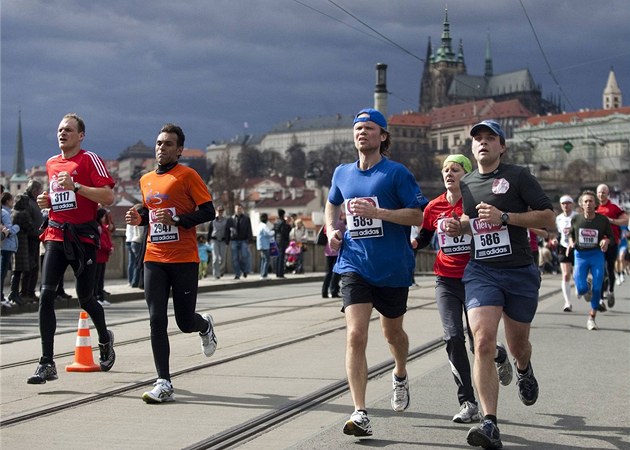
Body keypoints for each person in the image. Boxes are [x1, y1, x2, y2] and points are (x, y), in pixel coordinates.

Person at [442, 120, 555, 449]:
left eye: (490, 138)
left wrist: (505, 218)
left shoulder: (518, 176)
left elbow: (547, 218)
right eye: (478, 139)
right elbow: (469, 221)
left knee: (518, 345)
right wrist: (457, 226)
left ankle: (522, 366)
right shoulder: (468, 184)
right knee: (483, 342)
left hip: (519, 271)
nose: (483, 143)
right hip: (482, 271)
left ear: (502, 146)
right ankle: (490, 422)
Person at [325, 108, 428, 437]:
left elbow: (418, 216)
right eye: (357, 128)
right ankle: (360, 411)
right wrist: (330, 229)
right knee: (355, 335)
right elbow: (332, 202)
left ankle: (399, 373)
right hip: (354, 263)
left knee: (392, 334)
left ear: (383, 136)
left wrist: (378, 212)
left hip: (393, 268)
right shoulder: (342, 173)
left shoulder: (396, 173)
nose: (362, 133)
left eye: (369, 128)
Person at [413, 154, 513, 425]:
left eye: (455, 170)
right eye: (445, 170)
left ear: (466, 175)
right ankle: (467, 402)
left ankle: (498, 353)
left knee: (477, 342)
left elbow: (492, 232)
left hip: (475, 278)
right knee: (453, 337)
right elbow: (423, 236)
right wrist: (411, 245)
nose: (449, 174)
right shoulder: (433, 207)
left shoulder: (476, 204)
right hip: (445, 280)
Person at [125, 123, 217, 403]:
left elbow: (208, 211)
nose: (161, 147)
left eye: (167, 144)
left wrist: (177, 220)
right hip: (154, 256)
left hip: (184, 258)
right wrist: (138, 217)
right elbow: (149, 211)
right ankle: (163, 381)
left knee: (184, 321)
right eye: (158, 143)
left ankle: (204, 327)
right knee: (156, 320)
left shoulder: (188, 175)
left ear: (179, 150)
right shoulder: (146, 180)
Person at [30, 113, 116, 384]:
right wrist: (48, 201)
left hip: (84, 239)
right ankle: (46, 363)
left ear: (81, 135)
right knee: (45, 296)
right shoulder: (51, 163)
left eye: (68, 130)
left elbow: (109, 197)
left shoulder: (89, 159)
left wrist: (77, 186)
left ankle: (104, 338)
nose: (62, 133)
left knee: (85, 298)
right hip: (56, 234)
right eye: (59, 129)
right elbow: (60, 197)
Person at [568, 190, 614, 331]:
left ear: (595, 204)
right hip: (580, 255)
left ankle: (591, 318)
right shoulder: (576, 219)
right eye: (586, 201)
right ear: (581, 204)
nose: (588, 204)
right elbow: (571, 235)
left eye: (591, 201)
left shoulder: (602, 220)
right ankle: (585, 287)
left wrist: (605, 241)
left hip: (596, 255)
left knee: (598, 286)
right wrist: (570, 242)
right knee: (581, 289)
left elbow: (611, 237)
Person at [595, 184, 628, 309]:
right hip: (598, 243)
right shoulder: (594, 207)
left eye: (603, 192)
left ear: (608, 194)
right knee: (600, 270)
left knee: (609, 269)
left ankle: (611, 291)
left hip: (612, 241)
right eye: (599, 192)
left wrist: (611, 220)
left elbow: (625, 220)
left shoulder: (614, 207)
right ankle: (601, 297)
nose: (601, 195)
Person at [21, 179, 44, 302]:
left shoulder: (35, 202)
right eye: (40, 190)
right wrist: (38, 232)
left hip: (37, 239)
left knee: (35, 267)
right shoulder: (27, 203)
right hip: (30, 239)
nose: (41, 192)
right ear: (35, 191)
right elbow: (27, 223)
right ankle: (25, 293)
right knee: (29, 267)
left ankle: (31, 292)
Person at [9, 194, 34, 306]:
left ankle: (13, 292)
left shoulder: (12, 212)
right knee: (20, 270)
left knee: (16, 270)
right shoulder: (23, 214)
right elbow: (30, 228)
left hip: (14, 243)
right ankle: (15, 293)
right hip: (22, 243)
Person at [553, 195, 577, 312]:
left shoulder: (577, 217)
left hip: (576, 247)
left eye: (568, 203)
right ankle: (567, 303)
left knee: (577, 274)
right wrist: (556, 240)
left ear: (572, 204)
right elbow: (559, 233)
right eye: (563, 204)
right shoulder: (559, 218)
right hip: (563, 247)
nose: (565, 206)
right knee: (566, 274)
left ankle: (580, 287)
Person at [1, 192, 20, 308]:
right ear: (8, 201)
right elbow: (9, 231)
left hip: (5, 246)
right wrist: (17, 227)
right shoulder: (5, 213)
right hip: (6, 246)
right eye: (12, 200)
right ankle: (1, 297)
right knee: (2, 273)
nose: (13, 203)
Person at [321, 213, 346, 298]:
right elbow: (345, 235)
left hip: (328, 250)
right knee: (336, 272)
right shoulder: (341, 224)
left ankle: (324, 292)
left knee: (328, 272)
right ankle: (333, 291)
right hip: (337, 250)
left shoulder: (327, 225)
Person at [95, 207, 113, 306]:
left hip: (103, 256)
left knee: (101, 278)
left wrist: (110, 247)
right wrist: (108, 248)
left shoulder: (102, 226)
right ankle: (96, 296)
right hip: (99, 255)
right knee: (96, 278)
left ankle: (101, 296)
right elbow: (100, 241)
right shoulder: (98, 226)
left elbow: (108, 235)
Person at [229, 203, 253, 280]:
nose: (238, 210)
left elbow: (249, 229)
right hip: (234, 240)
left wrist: (250, 240)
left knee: (244, 256)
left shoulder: (246, 218)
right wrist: (227, 240)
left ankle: (244, 270)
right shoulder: (231, 219)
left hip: (243, 240)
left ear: (242, 209)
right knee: (235, 258)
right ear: (235, 210)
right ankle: (237, 274)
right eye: (237, 209)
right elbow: (227, 230)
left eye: (240, 209)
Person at [207, 205, 229, 279]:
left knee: (222, 259)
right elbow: (209, 231)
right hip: (214, 240)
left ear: (223, 212)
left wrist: (227, 241)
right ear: (216, 211)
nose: (220, 212)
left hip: (223, 241)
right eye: (219, 211)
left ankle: (221, 271)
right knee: (215, 258)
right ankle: (216, 274)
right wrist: (207, 240)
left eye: (221, 211)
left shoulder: (226, 221)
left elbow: (228, 232)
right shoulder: (213, 220)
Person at [273, 209, 292, 278]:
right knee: (281, 257)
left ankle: (277, 272)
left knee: (277, 257)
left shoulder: (276, 222)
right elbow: (285, 232)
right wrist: (288, 224)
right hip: (282, 240)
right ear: (283, 215)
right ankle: (281, 274)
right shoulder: (283, 223)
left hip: (277, 240)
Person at [256, 212, 275, 280]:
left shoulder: (259, 225)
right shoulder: (264, 226)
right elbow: (269, 234)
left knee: (263, 260)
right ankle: (264, 275)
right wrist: (274, 231)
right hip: (264, 245)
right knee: (267, 259)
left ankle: (262, 274)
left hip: (260, 245)